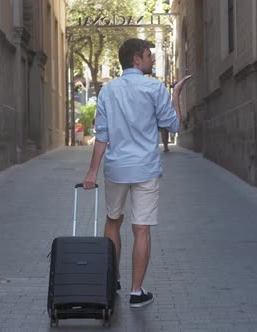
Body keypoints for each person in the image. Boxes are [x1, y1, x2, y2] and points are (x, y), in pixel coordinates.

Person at [82, 38, 191, 308]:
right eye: (149, 55)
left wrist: (91, 172)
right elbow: (174, 126)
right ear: (136, 60)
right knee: (141, 229)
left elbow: (102, 136)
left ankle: (113, 280)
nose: (152, 59)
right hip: (145, 169)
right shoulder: (155, 88)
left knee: (112, 222)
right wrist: (176, 95)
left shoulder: (108, 92)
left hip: (116, 168)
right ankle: (136, 291)